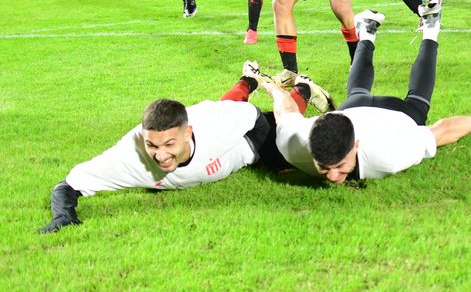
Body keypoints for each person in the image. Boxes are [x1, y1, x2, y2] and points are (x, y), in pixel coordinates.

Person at [36, 65, 326, 233]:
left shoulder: (212, 124)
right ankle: (249, 77)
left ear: (187, 133)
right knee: (226, 108)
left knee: (286, 134)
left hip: (248, 132)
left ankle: (303, 88)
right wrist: (64, 216)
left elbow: (253, 119)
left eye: (169, 145)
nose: (160, 155)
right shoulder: (130, 156)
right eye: (153, 145)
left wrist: (272, 161)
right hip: (218, 119)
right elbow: (68, 185)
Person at [271, 8, 471, 183]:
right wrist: (273, 89)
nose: (333, 176)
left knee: (417, 102)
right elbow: (286, 112)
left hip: (399, 115)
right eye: (323, 167)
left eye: (340, 166)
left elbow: (442, 130)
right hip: (353, 110)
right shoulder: (294, 144)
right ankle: (370, 30)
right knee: (357, 93)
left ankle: (430, 30)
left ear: (356, 145)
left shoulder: (387, 156)